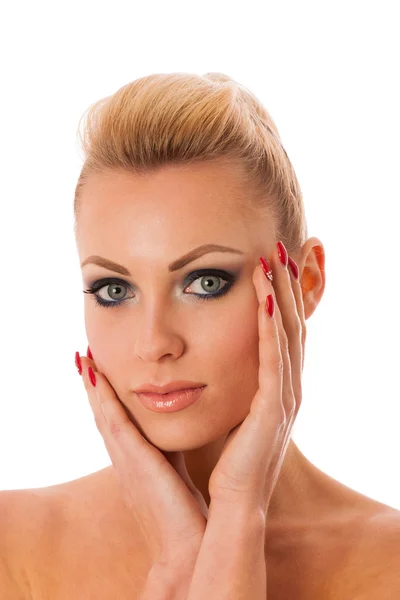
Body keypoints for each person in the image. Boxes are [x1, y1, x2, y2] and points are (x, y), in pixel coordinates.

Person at [1, 72, 399, 599]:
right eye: (114, 290)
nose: (155, 343)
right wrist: (178, 562)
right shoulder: (14, 545)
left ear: (303, 283)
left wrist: (238, 520)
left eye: (204, 282)